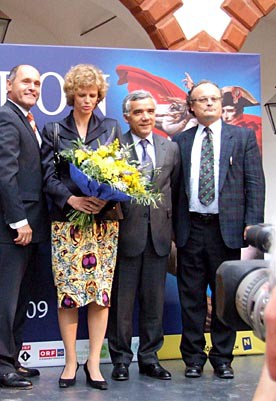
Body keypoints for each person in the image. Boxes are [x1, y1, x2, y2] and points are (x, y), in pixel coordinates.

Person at [172, 80, 265, 379]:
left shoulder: (243, 137)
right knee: (191, 297)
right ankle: (193, 359)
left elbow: (254, 183)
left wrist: (252, 224)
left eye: (214, 98)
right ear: (192, 107)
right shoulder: (181, 142)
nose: (210, 103)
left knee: (224, 298)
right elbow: (173, 191)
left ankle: (223, 358)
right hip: (190, 228)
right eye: (202, 100)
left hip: (227, 230)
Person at [41, 63, 122, 390]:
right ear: (71, 95)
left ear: (100, 95)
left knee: (100, 296)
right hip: (68, 224)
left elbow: (120, 173)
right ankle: (71, 361)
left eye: (93, 95)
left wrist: (105, 199)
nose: (87, 100)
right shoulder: (54, 130)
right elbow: (46, 176)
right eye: (81, 94)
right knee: (70, 296)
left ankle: (93, 362)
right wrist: (72, 201)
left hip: (103, 224)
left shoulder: (112, 126)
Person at [0, 64, 50, 390]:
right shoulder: (6, 118)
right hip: (11, 229)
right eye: (26, 81)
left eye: (37, 83)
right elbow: (4, 172)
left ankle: (13, 359)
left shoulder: (29, 121)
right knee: (3, 301)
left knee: (20, 300)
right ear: (9, 86)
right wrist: (18, 220)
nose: (33, 87)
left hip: (32, 228)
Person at [107, 90, 180, 381]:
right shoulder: (114, 147)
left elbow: (172, 190)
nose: (146, 117)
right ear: (127, 116)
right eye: (138, 112)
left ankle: (150, 358)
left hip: (159, 237)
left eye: (150, 111)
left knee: (154, 304)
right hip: (126, 235)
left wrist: (173, 234)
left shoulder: (169, 148)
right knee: (122, 306)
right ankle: (121, 360)